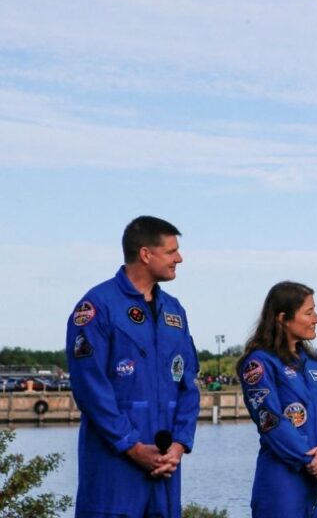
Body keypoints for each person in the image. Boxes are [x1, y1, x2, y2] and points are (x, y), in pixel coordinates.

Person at [64, 215, 200, 518]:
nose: (179, 258)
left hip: (165, 466)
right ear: (145, 254)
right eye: (171, 251)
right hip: (114, 467)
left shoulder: (174, 311)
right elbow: (90, 387)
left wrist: (179, 443)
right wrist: (131, 447)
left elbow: (188, 384)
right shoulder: (97, 306)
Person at [237, 281, 317, 517]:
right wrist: (314, 463)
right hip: (282, 480)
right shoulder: (260, 364)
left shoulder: (316, 363)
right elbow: (271, 420)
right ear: (283, 318)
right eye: (309, 312)